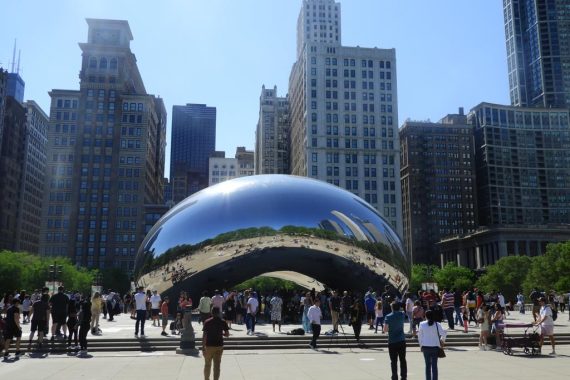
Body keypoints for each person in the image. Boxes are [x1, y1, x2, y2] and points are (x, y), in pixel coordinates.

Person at [202, 306, 230, 380]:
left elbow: (204, 335)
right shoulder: (223, 321)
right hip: (219, 346)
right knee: (217, 366)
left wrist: (203, 347)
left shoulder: (207, 322)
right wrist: (222, 334)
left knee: (207, 365)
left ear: (211, 312)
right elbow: (227, 335)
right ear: (219, 313)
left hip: (208, 346)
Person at [418, 310, 446, 380]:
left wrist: (421, 345)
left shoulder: (422, 324)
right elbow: (444, 333)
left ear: (425, 316)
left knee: (427, 365)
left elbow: (420, 336)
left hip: (425, 346)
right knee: (434, 366)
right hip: (435, 347)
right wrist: (442, 340)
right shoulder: (437, 324)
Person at [384, 301, 407, 380]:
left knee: (393, 361)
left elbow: (385, 329)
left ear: (391, 308)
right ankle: (403, 376)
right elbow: (403, 310)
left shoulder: (388, 316)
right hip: (401, 340)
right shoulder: (402, 314)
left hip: (392, 341)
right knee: (402, 359)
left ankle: (394, 376)